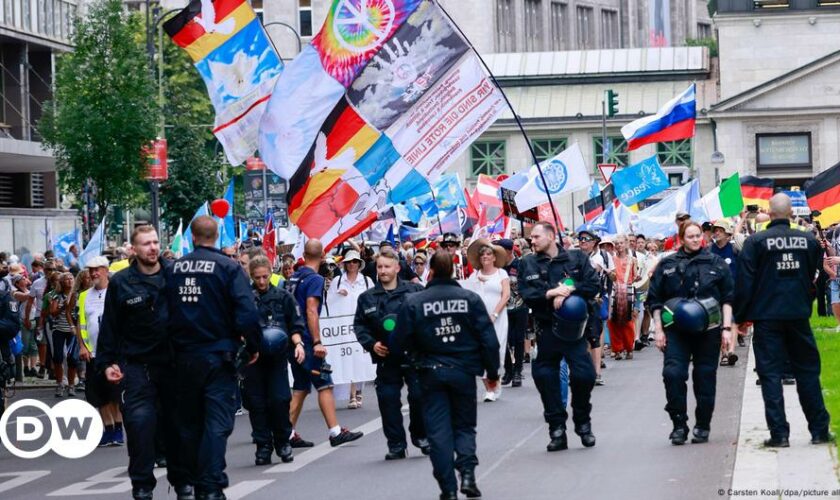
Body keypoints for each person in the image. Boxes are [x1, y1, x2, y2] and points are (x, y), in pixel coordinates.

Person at [166, 216, 262, 499]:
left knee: (191, 422)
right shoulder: (228, 268)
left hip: (183, 358)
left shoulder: (173, 270)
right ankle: (209, 484)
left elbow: (162, 312)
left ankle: (193, 479)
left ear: (193, 237)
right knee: (218, 422)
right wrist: (254, 346)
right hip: (218, 356)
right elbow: (246, 312)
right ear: (217, 235)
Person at [392, 252, 500, 500]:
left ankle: (448, 488)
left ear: (430, 271)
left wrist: (409, 362)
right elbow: (488, 339)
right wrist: (492, 372)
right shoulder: (469, 299)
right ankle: (468, 474)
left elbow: (398, 342)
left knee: (438, 432)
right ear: (452, 269)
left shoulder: (414, 302)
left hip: (429, 373)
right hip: (462, 372)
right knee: (464, 427)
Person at [98, 225, 192, 499]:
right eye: (145, 244)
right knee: (140, 427)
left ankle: (182, 482)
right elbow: (110, 328)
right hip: (138, 367)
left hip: (174, 366)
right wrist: (107, 363)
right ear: (135, 250)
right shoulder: (121, 283)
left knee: (177, 428)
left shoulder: (176, 275)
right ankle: (142, 487)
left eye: (154, 242)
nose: (152, 247)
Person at [734, 194, 832, 447]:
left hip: (766, 316)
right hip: (798, 314)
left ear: (770, 212)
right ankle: (819, 430)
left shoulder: (755, 242)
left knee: (769, 374)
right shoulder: (808, 240)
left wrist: (741, 317)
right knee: (808, 372)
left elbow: (745, 282)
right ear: (790, 213)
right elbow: (812, 274)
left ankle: (779, 435)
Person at [647, 221, 735, 445]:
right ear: (681, 238)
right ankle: (679, 424)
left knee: (705, 378)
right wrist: (658, 329)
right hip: (676, 331)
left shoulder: (716, 263)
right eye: (690, 236)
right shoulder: (667, 265)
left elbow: (728, 298)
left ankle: (703, 425)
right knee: (673, 374)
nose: (696, 240)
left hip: (709, 330)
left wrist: (726, 329)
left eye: (698, 236)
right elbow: (655, 301)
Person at [519, 221, 600, 452]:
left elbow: (593, 285)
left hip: (574, 333)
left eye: (536, 237)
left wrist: (568, 289)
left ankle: (583, 422)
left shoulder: (576, 259)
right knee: (545, 377)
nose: (531, 241)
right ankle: (556, 429)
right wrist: (551, 292)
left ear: (551, 236)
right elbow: (527, 294)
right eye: (531, 238)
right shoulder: (528, 263)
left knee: (584, 376)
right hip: (547, 331)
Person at [285, 239, 364, 448]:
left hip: (294, 340)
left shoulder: (293, 277)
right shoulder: (315, 279)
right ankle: (335, 432)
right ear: (321, 257)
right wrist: (317, 341)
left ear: (303, 254)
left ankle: (287, 433)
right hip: (308, 341)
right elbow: (311, 309)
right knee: (325, 383)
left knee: (301, 388)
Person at [354, 247, 427, 460]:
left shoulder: (414, 292)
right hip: (386, 358)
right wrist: (372, 344)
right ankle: (396, 444)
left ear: (397, 268)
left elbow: (425, 318)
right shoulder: (367, 298)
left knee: (419, 396)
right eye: (379, 267)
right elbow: (360, 326)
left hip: (412, 354)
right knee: (388, 400)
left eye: (387, 266)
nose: (383, 271)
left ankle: (421, 436)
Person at [245, 255, 306, 466]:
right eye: (257, 277)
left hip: (278, 359)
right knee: (257, 404)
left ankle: (283, 442)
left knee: (280, 400)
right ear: (251, 276)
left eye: (265, 276)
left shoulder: (283, 296)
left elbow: (296, 325)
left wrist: (299, 344)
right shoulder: (244, 298)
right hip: (253, 360)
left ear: (271, 273)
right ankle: (263, 446)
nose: (261, 281)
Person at [76, 256, 124, 448]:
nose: (94, 273)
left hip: (113, 353)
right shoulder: (83, 296)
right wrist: (82, 345)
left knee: (114, 393)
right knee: (98, 394)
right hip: (92, 352)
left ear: (106, 270)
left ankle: (118, 429)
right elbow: (81, 324)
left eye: (98, 269)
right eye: (91, 270)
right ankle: (108, 428)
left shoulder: (116, 292)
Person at [326, 248, 374, 409]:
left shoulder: (366, 281)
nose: (352, 264)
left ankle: (358, 390)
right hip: (343, 327)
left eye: (355, 261)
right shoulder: (337, 282)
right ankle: (352, 393)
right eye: (349, 262)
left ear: (359, 264)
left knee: (360, 358)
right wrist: (338, 295)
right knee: (347, 358)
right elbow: (328, 304)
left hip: (362, 326)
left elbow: (373, 301)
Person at [465, 238, 509, 402]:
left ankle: (495, 381)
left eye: (489, 254)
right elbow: (468, 296)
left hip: (498, 318)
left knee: (497, 352)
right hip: (479, 320)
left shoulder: (501, 273)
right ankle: (489, 388)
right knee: (480, 352)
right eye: (482, 254)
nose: (485, 257)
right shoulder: (474, 275)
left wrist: (495, 314)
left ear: (494, 257)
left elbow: (506, 296)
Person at [496, 239, 527, 388]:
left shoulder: (521, 264)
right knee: (504, 340)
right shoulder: (498, 267)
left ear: (508, 251)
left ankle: (517, 371)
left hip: (520, 307)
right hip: (503, 308)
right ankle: (508, 370)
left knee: (519, 339)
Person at [607, 235, 638, 360]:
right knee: (612, 321)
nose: (619, 246)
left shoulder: (632, 260)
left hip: (628, 292)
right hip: (614, 292)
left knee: (627, 321)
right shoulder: (611, 259)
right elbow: (610, 277)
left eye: (621, 243)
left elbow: (635, 277)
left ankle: (629, 348)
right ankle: (617, 349)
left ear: (626, 244)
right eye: (617, 243)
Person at [50, 272, 78, 397]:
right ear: (61, 282)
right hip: (59, 329)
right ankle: (60, 383)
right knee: (57, 357)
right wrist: (63, 307)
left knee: (72, 358)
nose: (69, 281)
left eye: (71, 278)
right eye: (66, 279)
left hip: (73, 331)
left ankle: (71, 385)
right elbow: (53, 312)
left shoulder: (77, 295)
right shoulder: (57, 296)